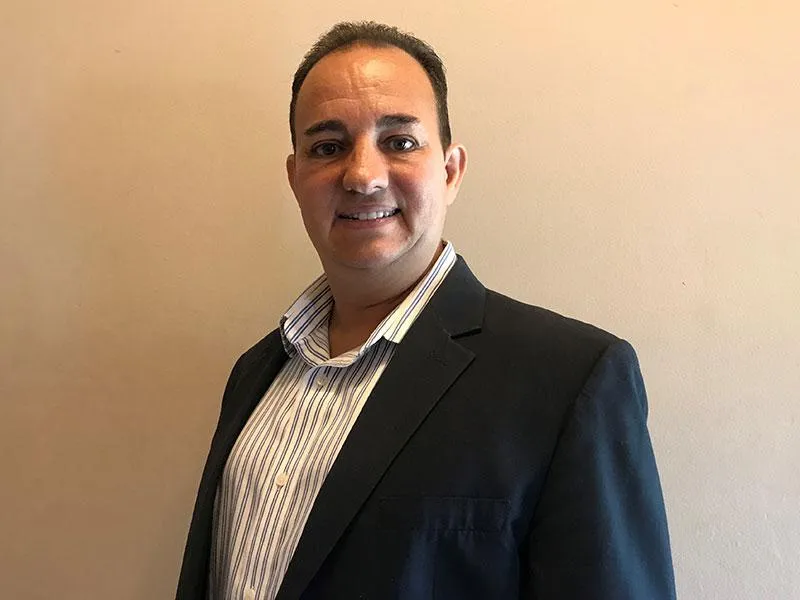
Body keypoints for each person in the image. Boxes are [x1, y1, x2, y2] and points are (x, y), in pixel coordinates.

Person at [176, 21, 676, 600]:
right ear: (295, 179)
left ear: (450, 170)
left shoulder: (571, 380)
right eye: (328, 147)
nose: (362, 175)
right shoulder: (255, 372)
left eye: (400, 142)